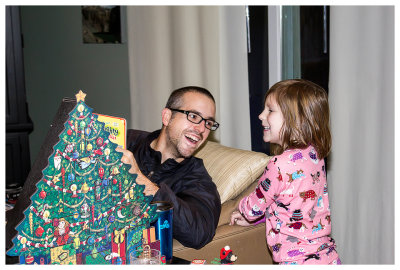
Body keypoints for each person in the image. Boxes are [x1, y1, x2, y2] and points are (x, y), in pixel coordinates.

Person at [230, 79, 341, 264]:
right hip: (328, 257)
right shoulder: (315, 156)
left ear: (297, 120)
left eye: (270, 110)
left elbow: (252, 208)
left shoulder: (278, 165)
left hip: (297, 261)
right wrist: (258, 220)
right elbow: (295, 205)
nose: (260, 115)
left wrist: (242, 209)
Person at [116, 86, 221, 249]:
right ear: (167, 116)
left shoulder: (197, 179)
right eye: (193, 116)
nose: (201, 129)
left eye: (208, 123)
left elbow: (199, 233)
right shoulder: (127, 140)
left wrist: (140, 181)